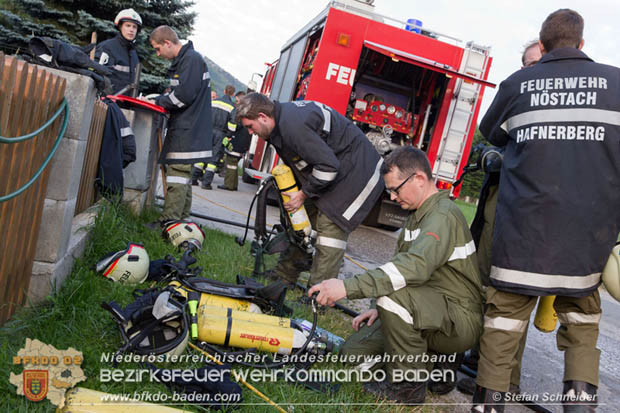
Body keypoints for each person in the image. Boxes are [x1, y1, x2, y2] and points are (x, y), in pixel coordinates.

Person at [472, 9, 620, 412]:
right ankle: (579, 406)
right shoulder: (617, 84)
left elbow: (492, 136)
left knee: (502, 323)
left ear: (544, 42)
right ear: (582, 43)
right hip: (587, 241)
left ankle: (489, 404)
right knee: (584, 327)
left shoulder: (519, 84)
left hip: (523, 234)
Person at [308, 146, 483, 404]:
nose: (391, 196)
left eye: (395, 189)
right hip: (426, 308)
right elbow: (397, 265)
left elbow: (412, 267)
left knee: (394, 299)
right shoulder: (415, 217)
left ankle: (408, 387)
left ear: (420, 179)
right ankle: (429, 365)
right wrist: (377, 308)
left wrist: (346, 288)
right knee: (352, 354)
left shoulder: (442, 216)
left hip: (456, 319)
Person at [456, 38, 543, 397]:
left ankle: (503, 381)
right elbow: (494, 135)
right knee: (483, 288)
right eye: (527, 63)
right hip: (499, 202)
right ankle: (481, 360)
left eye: (539, 62)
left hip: (530, 215)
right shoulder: (518, 97)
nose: (532, 70)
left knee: (511, 298)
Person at [236, 93, 385, 286]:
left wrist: (303, 194)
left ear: (263, 117)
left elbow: (328, 167)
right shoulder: (281, 122)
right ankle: (284, 275)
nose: (250, 132)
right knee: (300, 220)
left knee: (330, 229)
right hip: (338, 168)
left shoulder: (292, 126)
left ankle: (319, 294)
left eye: (250, 126)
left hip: (358, 174)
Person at [147, 26, 213, 226]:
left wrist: (158, 101)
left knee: (177, 174)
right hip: (187, 127)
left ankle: (169, 222)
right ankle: (182, 222)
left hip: (187, 128)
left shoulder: (190, 60)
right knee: (182, 176)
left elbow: (183, 96)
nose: (158, 54)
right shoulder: (187, 60)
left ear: (168, 43)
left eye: (158, 49)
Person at [95, 8, 142, 94]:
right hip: (108, 102)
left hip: (126, 103)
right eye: (128, 25)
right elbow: (98, 77)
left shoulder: (133, 53)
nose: (131, 30)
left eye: (134, 27)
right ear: (120, 27)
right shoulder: (107, 47)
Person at [200, 85, 237, 189]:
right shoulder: (232, 107)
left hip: (208, 130)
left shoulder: (214, 102)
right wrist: (229, 136)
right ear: (233, 94)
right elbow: (233, 123)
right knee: (214, 158)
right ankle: (206, 183)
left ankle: (194, 178)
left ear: (224, 91)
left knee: (202, 154)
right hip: (221, 133)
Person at [218, 91, 248, 191]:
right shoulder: (248, 110)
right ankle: (234, 184)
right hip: (243, 142)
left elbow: (235, 125)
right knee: (234, 164)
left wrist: (228, 133)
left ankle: (228, 185)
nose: (236, 103)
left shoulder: (240, 111)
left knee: (230, 163)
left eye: (237, 101)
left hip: (237, 141)